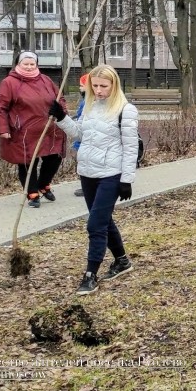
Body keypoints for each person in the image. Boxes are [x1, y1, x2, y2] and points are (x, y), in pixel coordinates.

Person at [49, 64, 138, 296]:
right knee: (104, 220)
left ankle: (91, 274)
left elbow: (130, 149)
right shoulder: (88, 106)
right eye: (95, 86)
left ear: (114, 85)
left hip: (111, 174)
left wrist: (126, 179)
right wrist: (61, 117)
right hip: (87, 172)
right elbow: (80, 134)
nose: (98, 91)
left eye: (103, 86)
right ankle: (122, 261)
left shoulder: (125, 110)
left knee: (95, 224)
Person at [0, 51, 68, 208]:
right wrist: (3, 128)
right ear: (18, 64)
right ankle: (32, 193)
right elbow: (1, 107)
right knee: (28, 162)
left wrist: (61, 112)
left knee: (55, 157)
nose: (29, 67)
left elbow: (59, 97)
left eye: (32, 64)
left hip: (49, 128)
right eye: (25, 64)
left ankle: (44, 184)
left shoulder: (46, 80)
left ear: (37, 65)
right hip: (24, 131)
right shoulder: (9, 82)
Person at [73, 74, 88, 197]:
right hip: (82, 135)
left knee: (84, 162)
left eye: (81, 85)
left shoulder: (87, 101)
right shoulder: (85, 100)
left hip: (83, 137)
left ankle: (86, 187)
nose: (80, 88)